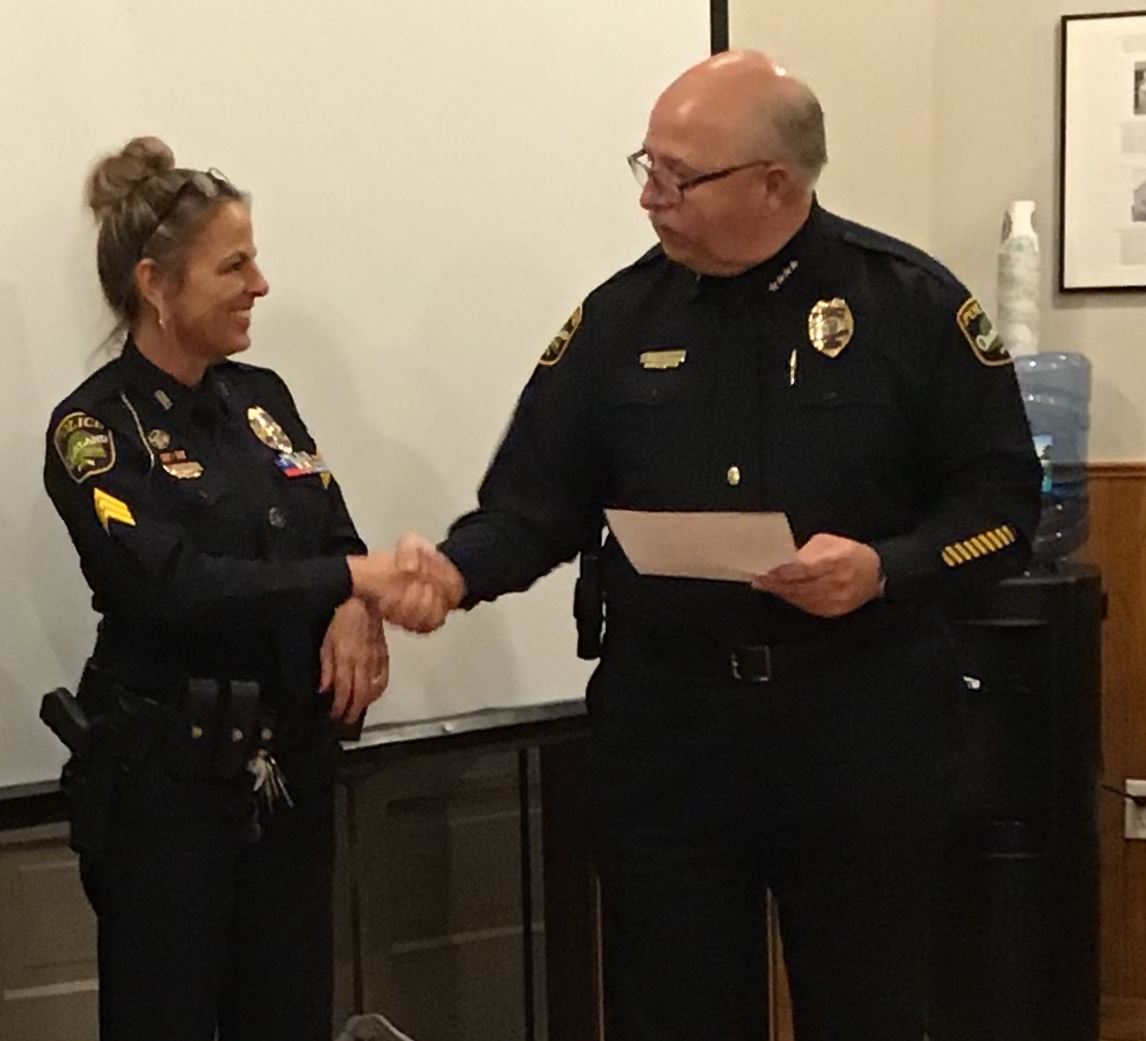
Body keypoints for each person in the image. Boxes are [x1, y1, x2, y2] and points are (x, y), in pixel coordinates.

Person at [377, 51, 1043, 1041]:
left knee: (869, 1009)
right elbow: (536, 504)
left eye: (677, 176)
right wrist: (457, 570)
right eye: (646, 166)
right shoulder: (616, 320)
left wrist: (883, 570)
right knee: (669, 1012)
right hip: (672, 733)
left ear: (774, 182)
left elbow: (1003, 507)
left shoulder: (907, 304)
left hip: (860, 725)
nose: (650, 196)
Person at [43, 136, 429, 1041]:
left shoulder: (263, 398)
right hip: (168, 785)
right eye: (235, 264)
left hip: (290, 768)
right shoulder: (93, 429)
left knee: (289, 1016)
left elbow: (332, 530)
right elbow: (174, 587)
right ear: (156, 284)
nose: (260, 284)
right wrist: (346, 578)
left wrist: (353, 603)